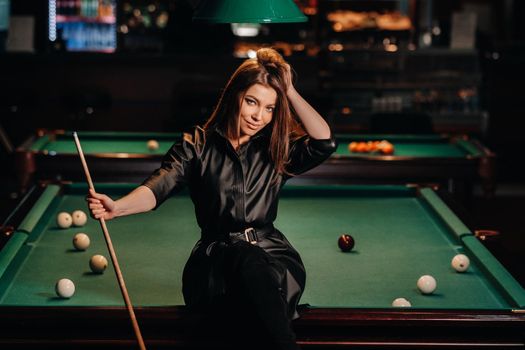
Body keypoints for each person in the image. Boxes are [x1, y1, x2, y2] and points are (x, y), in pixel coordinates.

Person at [87, 48, 336, 350]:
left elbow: (324, 141)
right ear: (235, 96)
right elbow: (159, 187)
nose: (259, 116)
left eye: (270, 108)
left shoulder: (275, 148)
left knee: (254, 266)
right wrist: (118, 207)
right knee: (246, 260)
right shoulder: (197, 144)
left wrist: (290, 91)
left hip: (273, 259)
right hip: (215, 263)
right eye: (252, 102)